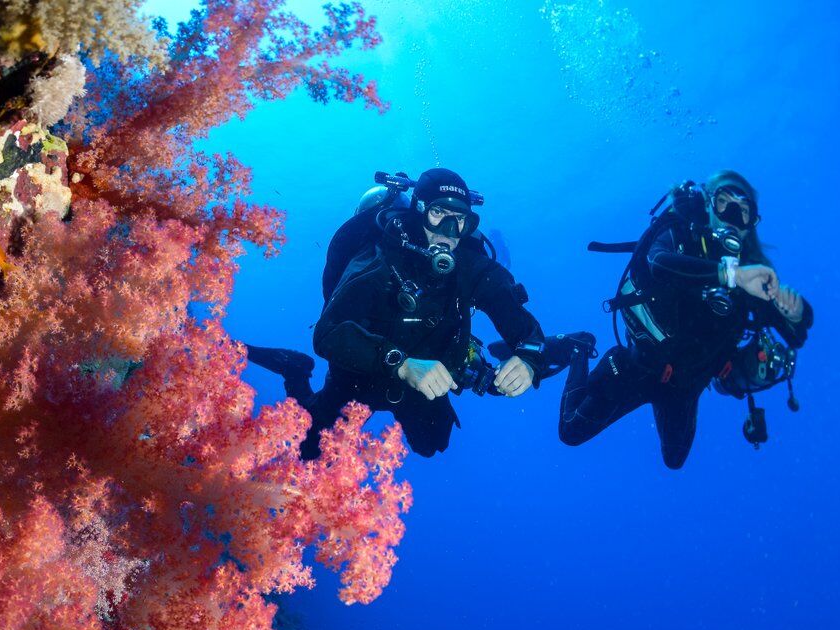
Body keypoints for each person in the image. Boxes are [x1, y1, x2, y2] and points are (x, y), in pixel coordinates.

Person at [248, 168, 594, 459]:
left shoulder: (473, 267)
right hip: (358, 374)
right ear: (418, 210)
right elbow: (327, 333)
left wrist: (528, 357)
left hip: (427, 375)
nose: (449, 232)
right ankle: (295, 371)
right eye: (439, 215)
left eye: (460, 221)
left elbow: (523, 327)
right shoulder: (377, 261)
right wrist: (400, 363)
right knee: (310, 450)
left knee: (432, 444)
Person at [558, 170, 812, 469]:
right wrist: (729, 275)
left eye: (743, 212)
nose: (732, 215)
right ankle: (579, 347)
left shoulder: (752, 278)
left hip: (687, 384)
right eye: (724, 203)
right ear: (707, 205)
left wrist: (796, 312)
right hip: (639, 366)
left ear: (751, 225)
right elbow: (658, 263)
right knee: (571, 431)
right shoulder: (681, 234)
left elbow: (796, 335)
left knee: (675, 459)